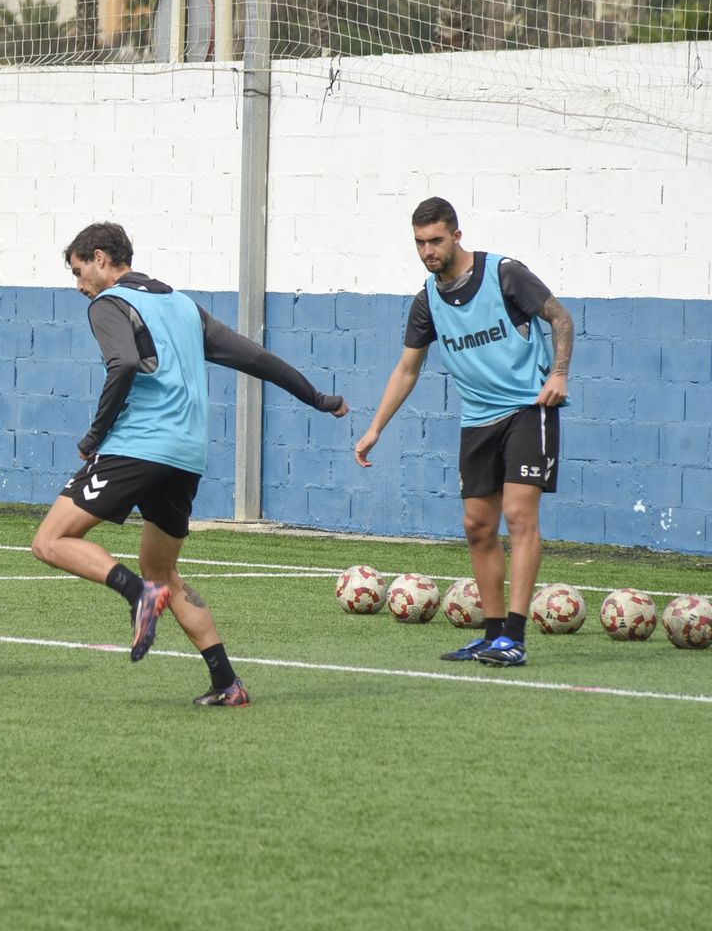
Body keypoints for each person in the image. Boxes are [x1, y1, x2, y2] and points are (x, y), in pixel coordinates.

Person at [31, 222, 348, 707]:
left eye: (78, 272)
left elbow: (124, 364)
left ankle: (136, 593)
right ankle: (227, 683)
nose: (78, 286)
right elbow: (255, 358)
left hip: (137, 446)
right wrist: (317, 398)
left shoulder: (109, 303)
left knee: (50, 541)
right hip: (186, 457)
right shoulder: (182, 305)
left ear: (100, 258)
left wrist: (94, 436)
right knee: (163, 571)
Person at [355, 197, 573, 667]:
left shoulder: (504, 274)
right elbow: (407, 369)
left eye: (436, 240)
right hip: (476, 420)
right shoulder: (427, 300)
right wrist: (375, 429)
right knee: (477, 526)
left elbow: (560, 317)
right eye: (420, 243)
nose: (428, 251)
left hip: (527, 408)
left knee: (519, 516)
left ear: (456, 235)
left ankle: (514, 638)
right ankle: (491, 634)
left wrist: (559, 374)